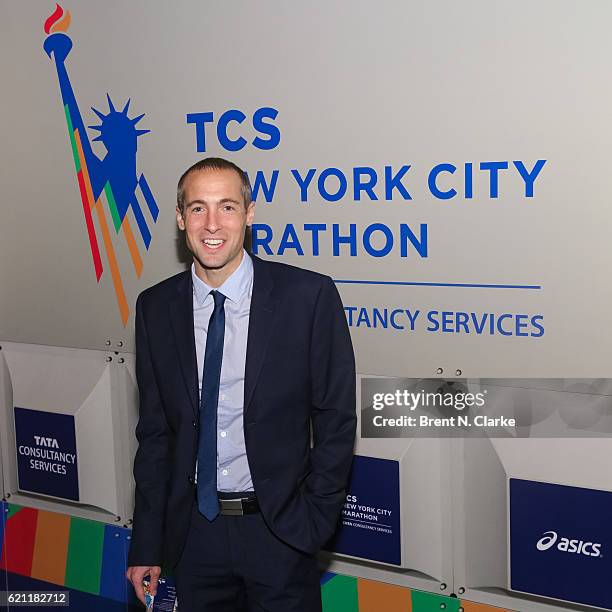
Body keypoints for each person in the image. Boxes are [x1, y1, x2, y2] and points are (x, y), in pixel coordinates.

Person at [126, 157, 356, 611]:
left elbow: (336, 419)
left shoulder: (307, 297)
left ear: (249, 214)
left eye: (227, 207)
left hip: (280, 532)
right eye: (197, 208)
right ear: (179, 218)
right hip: (194, 537)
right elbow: (155, 435)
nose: (212, 224)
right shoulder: (155, 308)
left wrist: (314, 519)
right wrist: (147, 543)